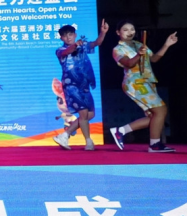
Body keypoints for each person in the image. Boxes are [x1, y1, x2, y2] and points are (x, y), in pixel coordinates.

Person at [109, 22, 177, 153]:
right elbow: (129, 63)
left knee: (154, 116)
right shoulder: (118, 49)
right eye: (125, 30)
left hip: (148, 82)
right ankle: (154, 145)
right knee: (161, 110)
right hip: (135, 83)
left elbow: (154, 59)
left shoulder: (139, 44)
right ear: (118, 32)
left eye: (132, 29)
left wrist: (167, 44)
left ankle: (120, 131)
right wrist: (139, 54)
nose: (130, 32)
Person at [52, 21, 109, 151]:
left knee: (90, 114)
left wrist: (103, 33)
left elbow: (96, 43)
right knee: (83, 114)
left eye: (70, 34)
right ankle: (88, 142)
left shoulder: (82, 46)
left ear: (75, 35)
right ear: (61, 38)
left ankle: (64, 135)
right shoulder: (60, 50)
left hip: (84, 85)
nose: (68, 37)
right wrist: (75, 45)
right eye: (65, 36)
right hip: (71, 86)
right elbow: (68, 50)